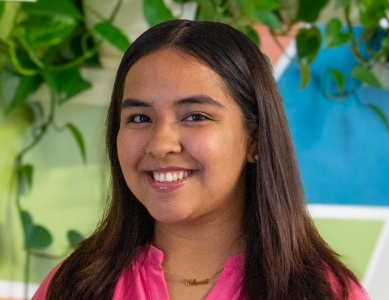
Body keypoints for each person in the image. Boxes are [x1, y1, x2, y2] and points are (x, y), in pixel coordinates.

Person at [32, 20, 370, 300]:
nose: (160, 144)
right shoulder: (72, 287)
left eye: (195, 116)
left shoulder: (326, 293)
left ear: (254, 138)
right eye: (139, 118)